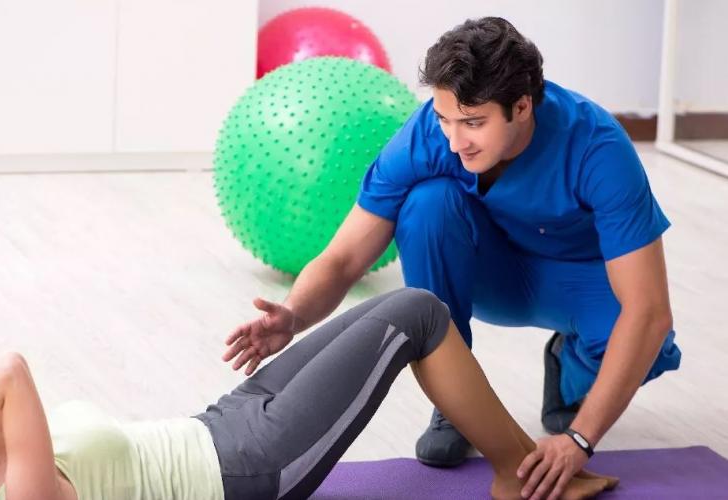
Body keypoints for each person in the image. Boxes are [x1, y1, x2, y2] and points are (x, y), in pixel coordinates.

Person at [223, 16, 680, 498]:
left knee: (646, 346)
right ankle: (455, 403)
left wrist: (579, 439)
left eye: (474, 123)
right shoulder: (429, 133)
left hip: (575, 279)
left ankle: (570, 368)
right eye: (445, 119)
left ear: (522, 106)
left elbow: (648, 310)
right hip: (490, 272)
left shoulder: (597, 147)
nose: (455, 141)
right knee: (427, 205)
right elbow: (344, 258)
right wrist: (293, 315)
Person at [0, 290, 615, 500]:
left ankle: (519, 467)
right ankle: (521, 475)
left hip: (221, 423)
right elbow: (10, 367)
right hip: (256, 466)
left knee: (399, 310)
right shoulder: (22, 492)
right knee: (417, 314)